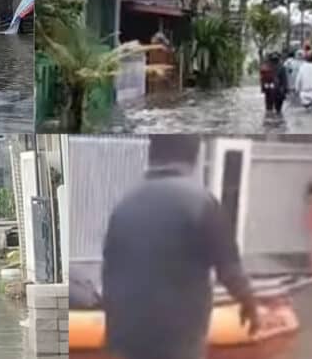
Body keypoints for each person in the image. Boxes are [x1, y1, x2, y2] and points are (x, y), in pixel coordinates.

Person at [102, 135, 259, 359]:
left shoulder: (123, 206)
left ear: (152, 154)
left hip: (125, 338)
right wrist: (250, 305)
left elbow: (109, 272)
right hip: (177, 340)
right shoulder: (202, 203)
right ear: (194, 156)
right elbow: (230, 270)